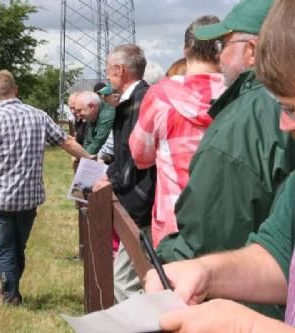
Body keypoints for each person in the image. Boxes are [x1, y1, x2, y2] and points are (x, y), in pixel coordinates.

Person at [156, 0, 295, 268]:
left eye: (224, 45)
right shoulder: (262, 109)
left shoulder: (241, 121)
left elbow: (204, 238)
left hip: (245, 300)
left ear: (252, 51)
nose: (218, 57)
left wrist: (167, 254)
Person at [0, 70, 91, 305]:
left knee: (6, 249)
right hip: (28, 200)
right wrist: (92, 161)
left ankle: (11, 296)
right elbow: (67, 142)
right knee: (17, 247)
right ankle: (9, 290)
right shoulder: (38, 116)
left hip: (0, 199)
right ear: (16, 89)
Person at [129, 15, 226, 248]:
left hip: (175, 222)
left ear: (185, 49)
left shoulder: (161, 96)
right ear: (221, 50)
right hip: (228, 220)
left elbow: (140, 156)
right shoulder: (242, 95)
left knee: (174, 283)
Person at [92, 44, 155, 302]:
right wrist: (109, 173)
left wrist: (112, 180)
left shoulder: (141, 101)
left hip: (141, 200)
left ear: (119, 69)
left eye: (108, 71)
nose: (106, 77)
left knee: (125, 281)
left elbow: (135, 157)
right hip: (139, 199)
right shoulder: (133, 99)